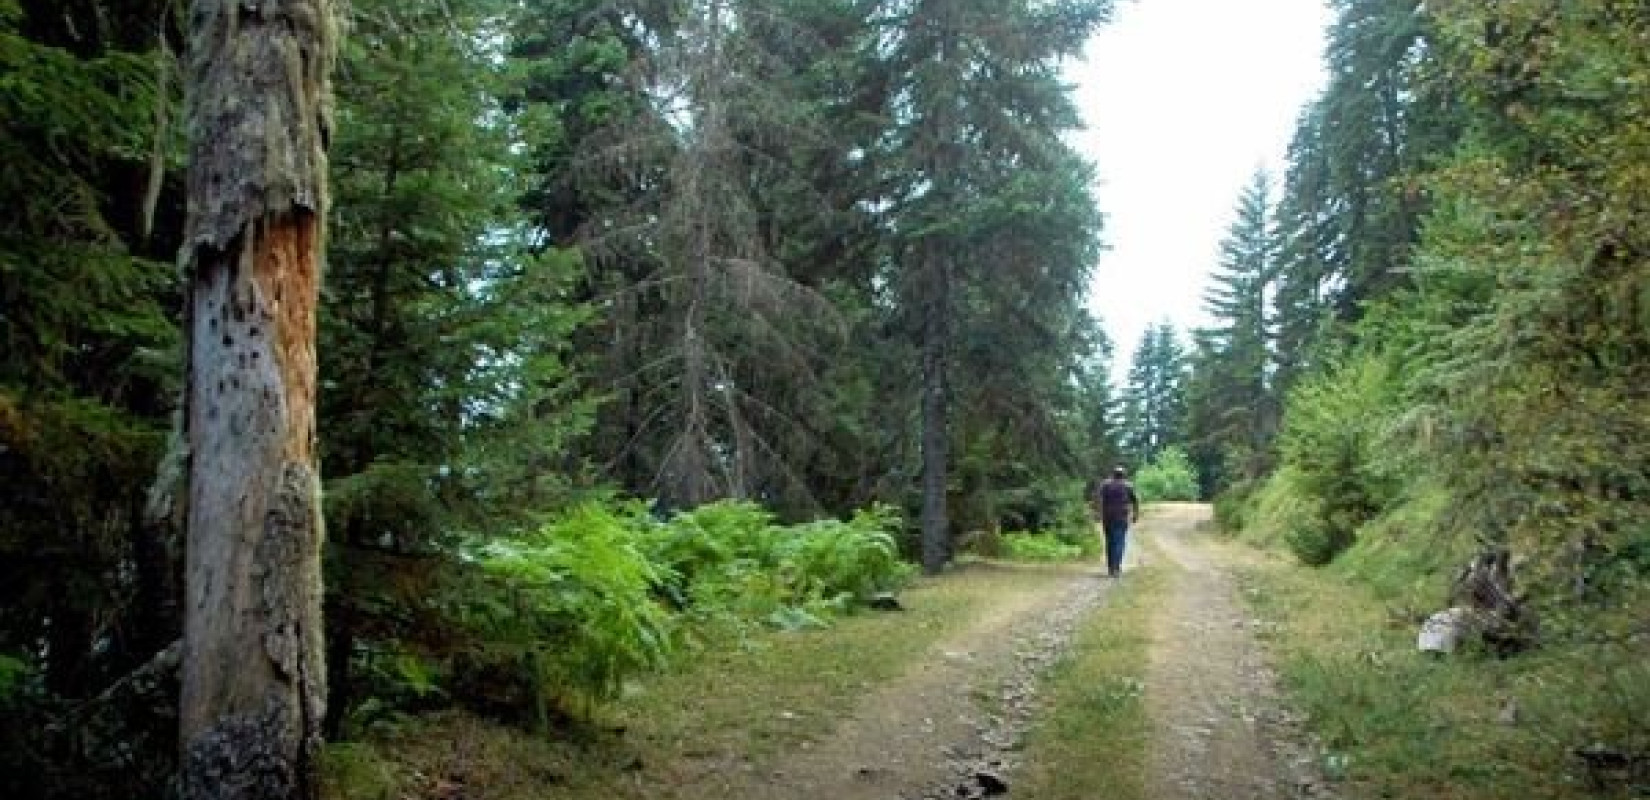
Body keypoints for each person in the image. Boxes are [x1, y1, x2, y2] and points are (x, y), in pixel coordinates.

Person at [1092, 466, 1140, 578]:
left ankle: (1111, 568)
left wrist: (1098, 513)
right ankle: (1116, 568)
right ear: (1123, 475)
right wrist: (1135, 514)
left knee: (1110, 542)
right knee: (1119, 542)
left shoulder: (1105, 485)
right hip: (1121, 518)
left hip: (1107, 517)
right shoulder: (1128, 486)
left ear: (1113, 474)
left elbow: (1097, 499)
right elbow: (1136, 500)